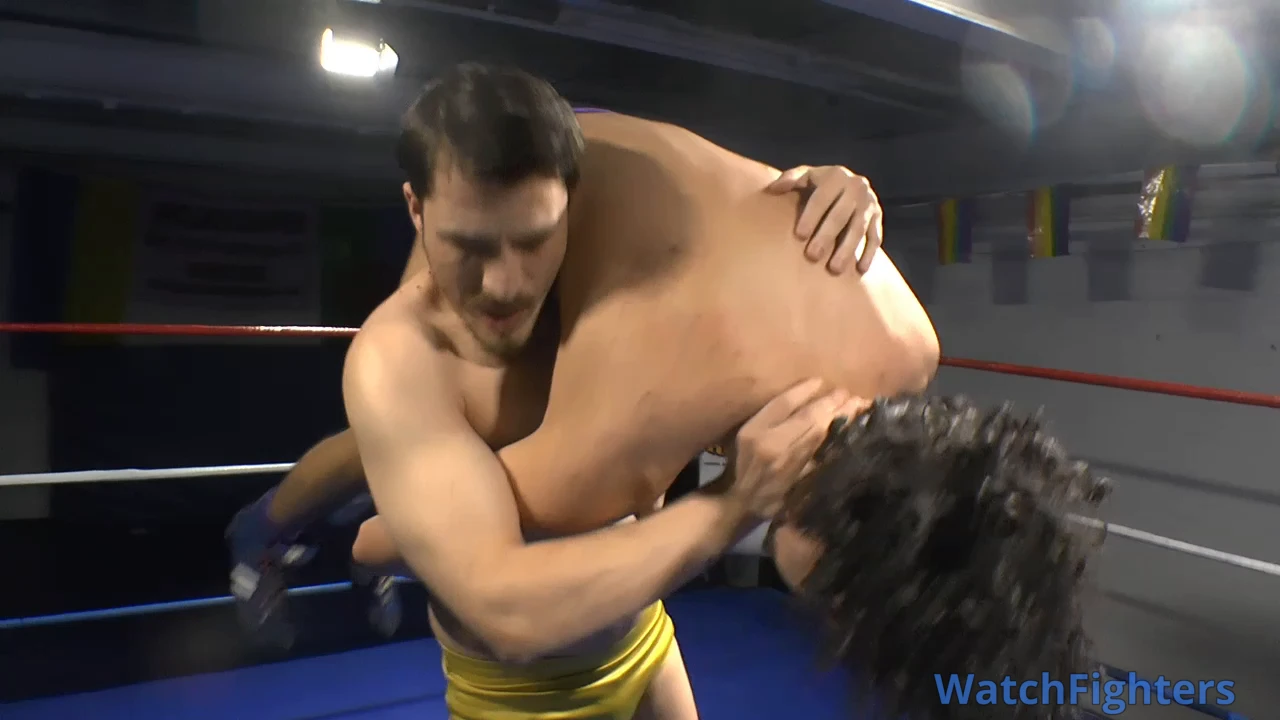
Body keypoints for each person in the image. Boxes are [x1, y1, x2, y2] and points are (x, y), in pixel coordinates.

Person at [346, 67, 1111, 720]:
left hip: (615, 162)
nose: (822, 612)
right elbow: (403, 552)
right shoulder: (610, 444)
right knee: (400, 423)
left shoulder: (906, 342)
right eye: (837, 604)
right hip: (534, 164)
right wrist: (731, 504)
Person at [225, 74, 886, 647]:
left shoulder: (682, 288)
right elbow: (432, 566)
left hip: (591, 187)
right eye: (468, 246)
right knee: (416, 423)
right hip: (565, 185)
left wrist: (830, 194)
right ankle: (262, 529)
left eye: (532, 241)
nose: (504, 283)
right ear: (417, 213)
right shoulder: (427, 339)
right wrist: (731, 506)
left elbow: (747, 204)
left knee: (485, 446)